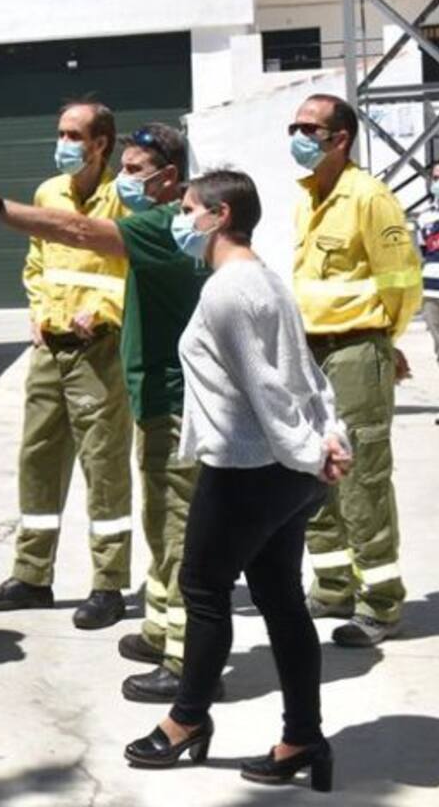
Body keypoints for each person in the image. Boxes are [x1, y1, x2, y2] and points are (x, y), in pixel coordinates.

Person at [0, 123, 211, 702]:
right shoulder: (65, 194)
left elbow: (81, 235)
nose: (127, 180)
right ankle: (158, 628)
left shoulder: (166, 225)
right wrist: (39, 309)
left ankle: (166, 640)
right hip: (81, 355)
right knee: (72, 472)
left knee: (157, 509)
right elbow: (44, 258)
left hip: (130, 369)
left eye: (137, 170)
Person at [124, 170, 350, 792]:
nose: (180, 219)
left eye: (189, 208)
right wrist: (326, 441)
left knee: (201, 587)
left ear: (219, 216)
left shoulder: (226, 292)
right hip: (285, 473)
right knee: (279, 599)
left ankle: (185, 721)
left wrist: (311, 449)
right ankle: (302, 736)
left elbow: (268, 386)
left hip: (248, 470)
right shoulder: (267, 279)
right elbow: (305, 377)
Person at [0, 101, 133, 630]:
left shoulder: (124, 197)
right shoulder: (47, 193)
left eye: (73, 134)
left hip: (100, 349)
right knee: (37, 458)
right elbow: (37, 262)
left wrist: (104, 311)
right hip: (49, 348)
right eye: (59, 132)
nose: (62, 143)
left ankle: (108, 585)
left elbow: (137, 268)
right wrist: (37, 311)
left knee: (103, 468)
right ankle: (32, 576)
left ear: (101, 143)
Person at [290, 94, 421, 647]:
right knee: (315, 467)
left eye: (308, 127)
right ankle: (333, 584)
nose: (296, 135)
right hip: (310, 350)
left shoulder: (369, 197)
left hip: (355, 349)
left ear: (339, 138)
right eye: (292, 125)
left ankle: (381, 602)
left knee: (362, 473)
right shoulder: (308, 196)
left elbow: (401, 282)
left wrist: (381, 343)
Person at [416, 161, 439, 365]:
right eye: (436, 178)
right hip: (432, 291)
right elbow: (425, 250)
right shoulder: (425, 217)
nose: (438, 183)